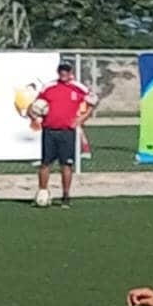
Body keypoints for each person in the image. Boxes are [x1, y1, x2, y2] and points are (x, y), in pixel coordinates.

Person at [32, 61, 98, 208]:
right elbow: (36, 105)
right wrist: (35, 114)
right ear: (58, 72)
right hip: (49, 131)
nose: (64, 73)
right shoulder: (49, 87)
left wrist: (82, 118)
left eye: (66, 70)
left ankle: (66, 196)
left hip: (67, 132)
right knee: (45, 164)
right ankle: (43, 192)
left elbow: (93, 101)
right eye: (61, 70)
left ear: (70, 72)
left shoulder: (78, 87)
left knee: (66, 165)